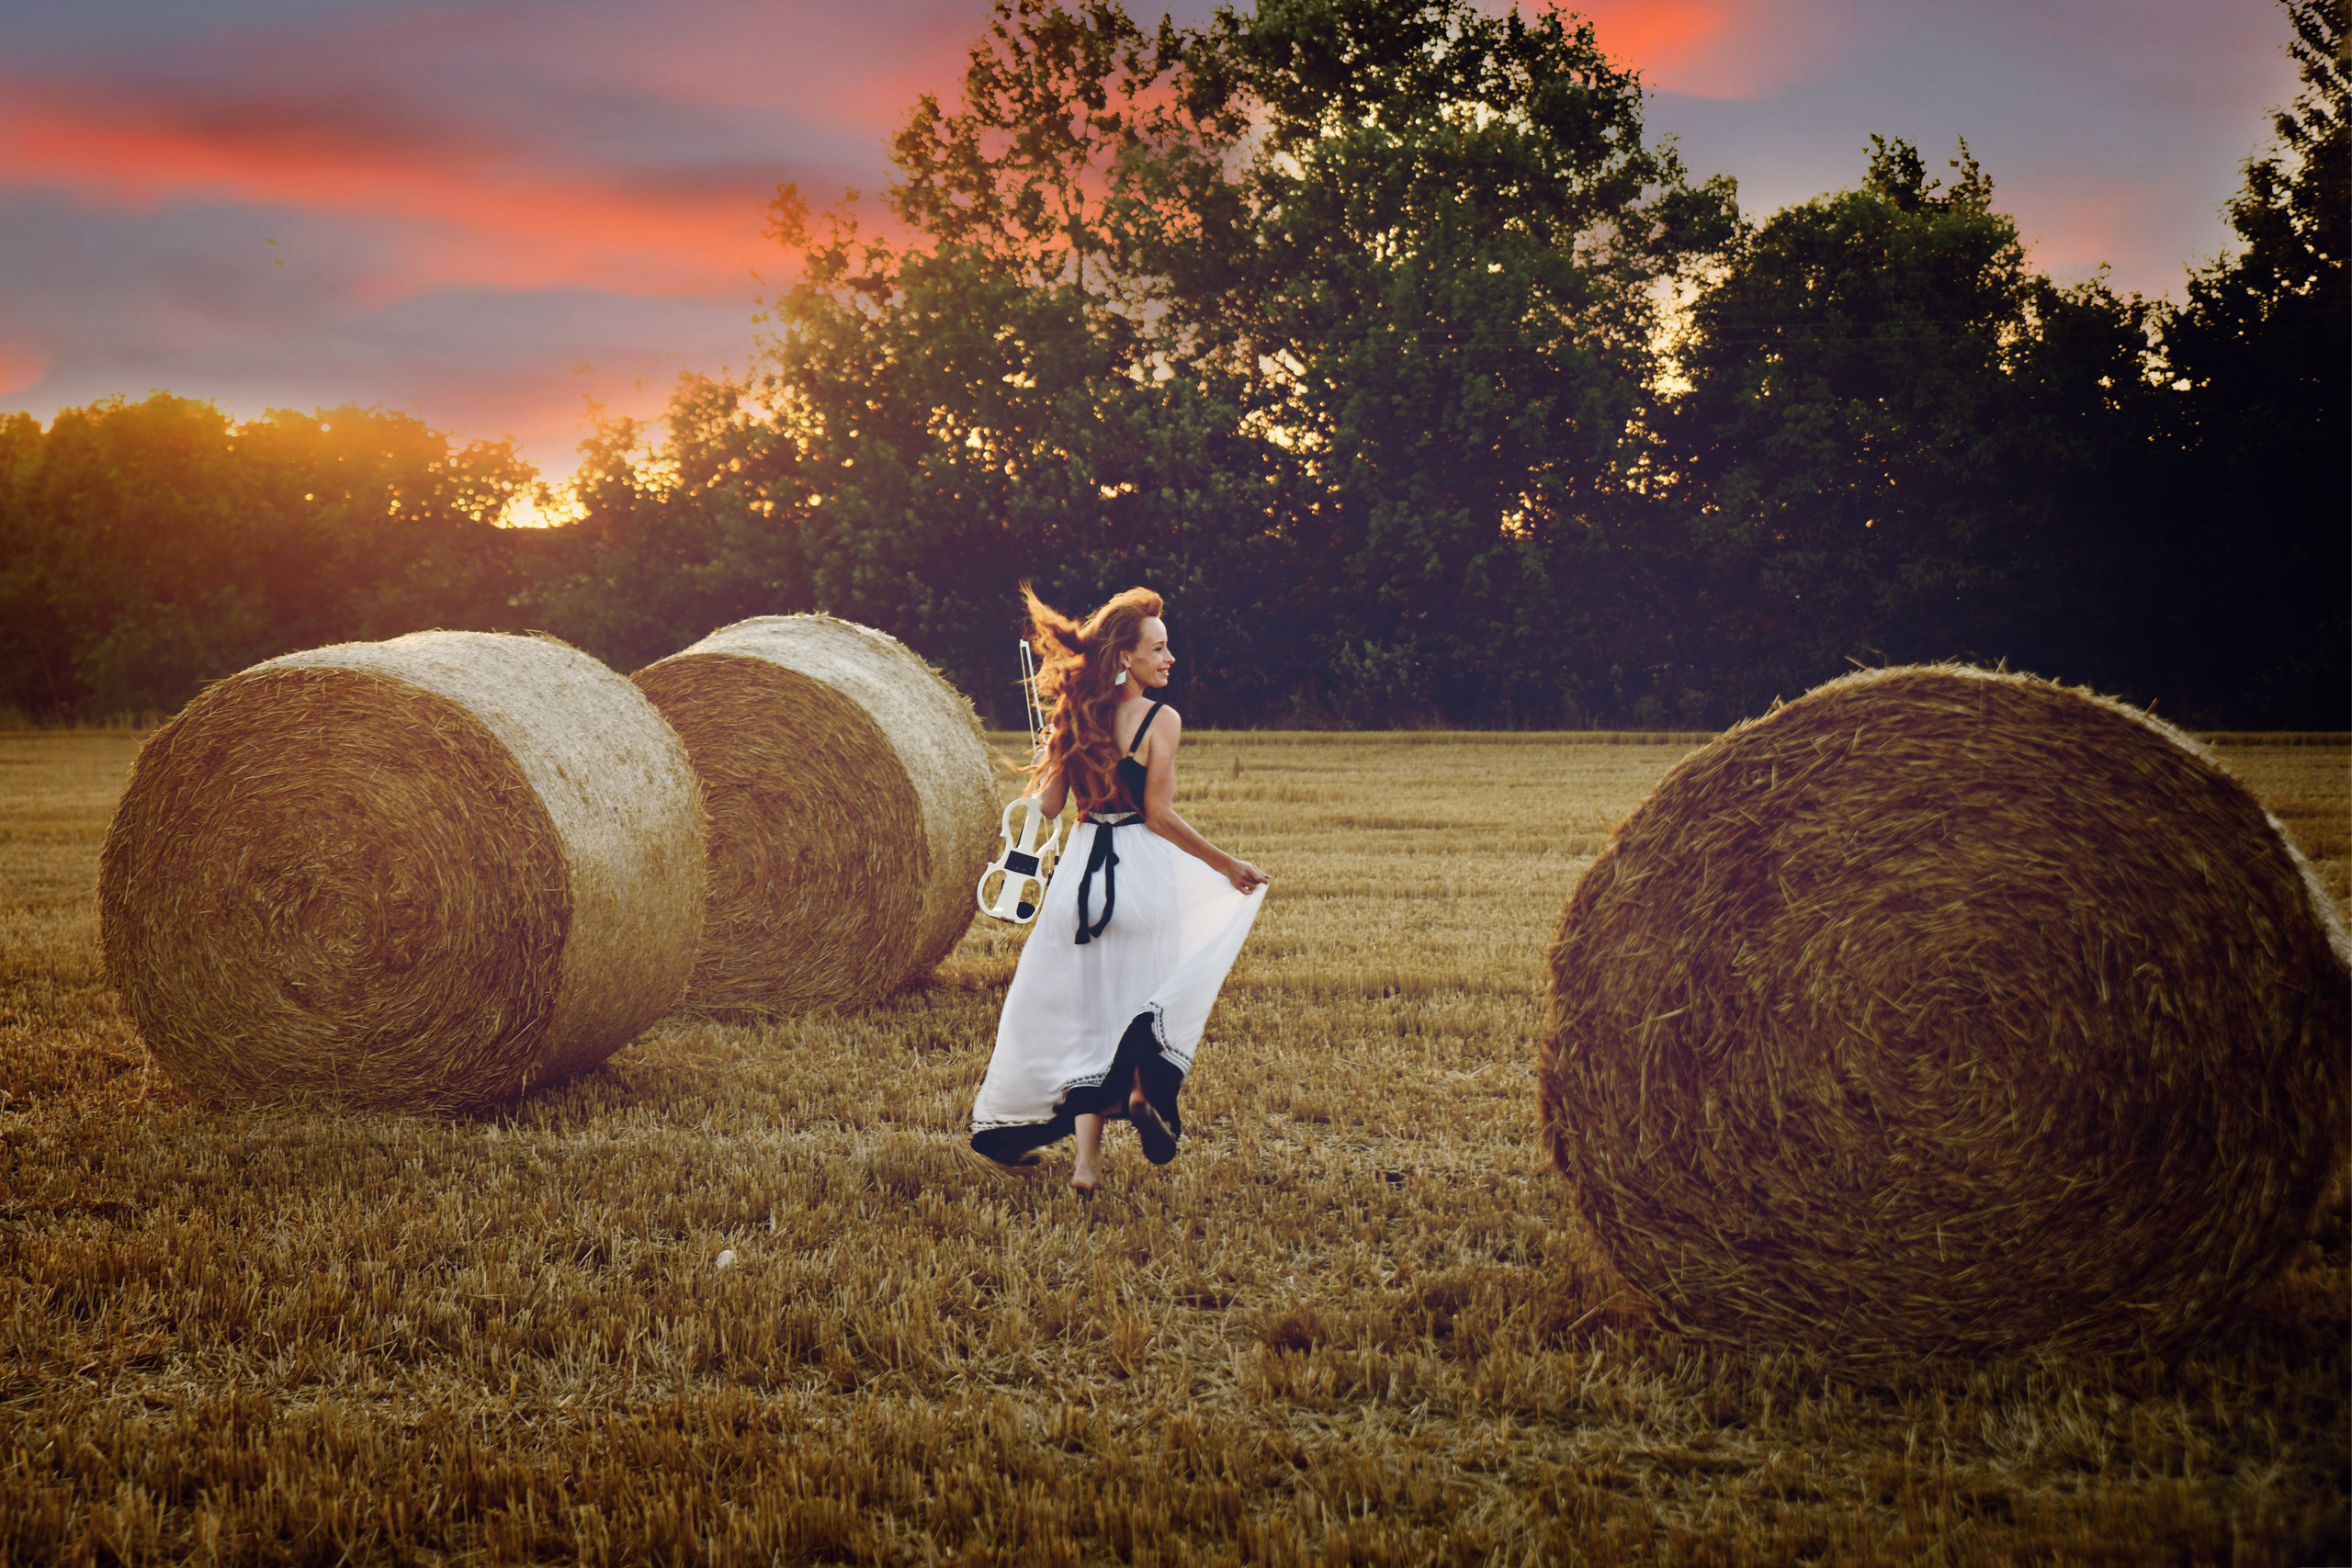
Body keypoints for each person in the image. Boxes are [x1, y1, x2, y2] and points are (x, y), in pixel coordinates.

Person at [968, 585, 1270, 1192]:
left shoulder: (1075, 717)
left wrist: (1056, 749)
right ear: (1125, 657)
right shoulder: (1162, 720)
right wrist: (1226, 864)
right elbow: (1159, 815)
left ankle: (1086, 1166)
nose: (1170, 658)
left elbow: (1048, 807)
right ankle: (1137, 1091)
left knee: (1085, 1019)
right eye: (1158, 648)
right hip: (1142, 874)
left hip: (1081, 881)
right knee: (1144, 1002)